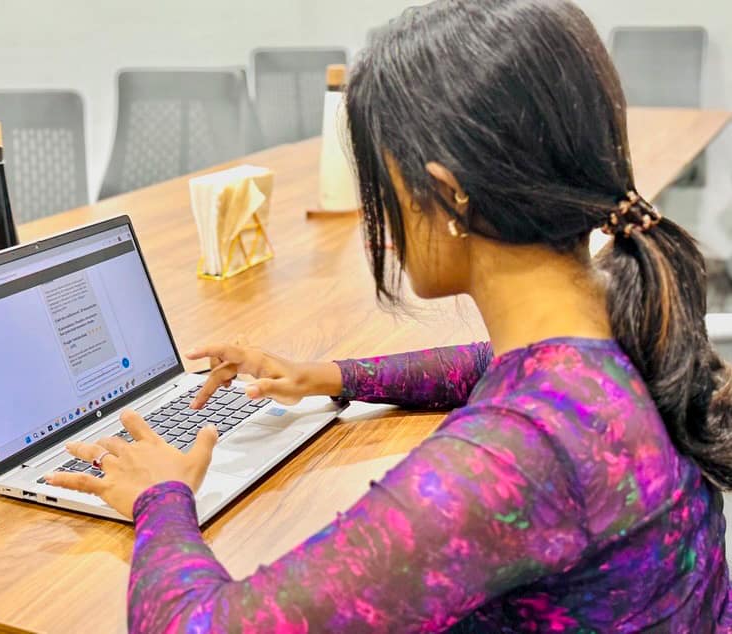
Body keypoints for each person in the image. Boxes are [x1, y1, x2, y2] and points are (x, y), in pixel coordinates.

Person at [48, 0, 732, 630]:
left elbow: (198, 626)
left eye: (384, 188)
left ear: (449, 195)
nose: (382, 227)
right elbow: (480, 365)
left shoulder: (515, 458)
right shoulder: (621, 317)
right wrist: (325, 375)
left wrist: (161, 497)